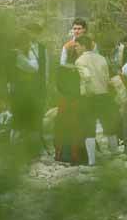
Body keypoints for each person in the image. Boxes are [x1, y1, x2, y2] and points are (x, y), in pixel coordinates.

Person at [74, 35, 118, 165]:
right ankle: (115, 154)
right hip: (104, 95)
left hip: (90, 97)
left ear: (83, 46)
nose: (75, 48)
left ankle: (91, 161)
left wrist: (87, 92)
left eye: (76, 46)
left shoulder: (79, 61)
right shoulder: (102, 58)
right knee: (109, 125)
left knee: (89, 129)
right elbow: (107, 77)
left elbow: (86, 77)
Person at [55, 19, 93, 164]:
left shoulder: (92, 45)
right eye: (74, 28)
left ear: (85, 30)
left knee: (83, 122)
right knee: (66, 121)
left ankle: (84, 155)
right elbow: (62, 66)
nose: (76, 31)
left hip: (86, 89)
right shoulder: (67, 46)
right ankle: (66, 155)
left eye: (79, 28)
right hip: (70, 88)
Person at [9, 35, 50, 157]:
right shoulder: (18, 56)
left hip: (18, 92)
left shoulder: (11, 54)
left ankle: (19, 150)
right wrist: (32, 55)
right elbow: (34, 68)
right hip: (21, 93)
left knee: (18, 122)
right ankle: (22, 150)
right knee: (20, 122)